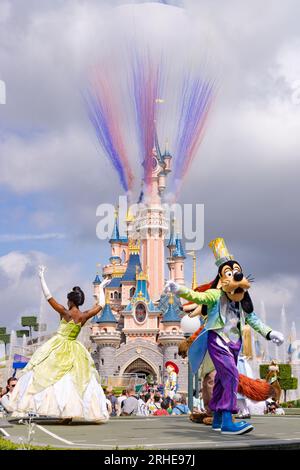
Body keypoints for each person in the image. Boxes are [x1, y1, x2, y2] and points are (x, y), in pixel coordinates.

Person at [165, 238, 284, 435]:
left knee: (221, 380)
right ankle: (228, 420)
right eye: (229, 272)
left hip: (234, 345)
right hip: (218, 342)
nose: (235, 275)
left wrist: (271, 333)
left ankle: (218, 418)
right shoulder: (215, 295)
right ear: (222, 279)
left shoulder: (241, 301)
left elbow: (253, 320)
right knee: (230, 377)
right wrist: (178, 289)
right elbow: (198, 297)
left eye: (236, 271)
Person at [7, 266, 110, 423]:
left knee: (44, 374)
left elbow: (49, 297)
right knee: (73, 380)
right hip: (75, 349)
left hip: (58, 345)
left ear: (70, 301)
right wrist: (102, 287)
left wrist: (41, 278)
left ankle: (56, 410)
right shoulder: (83, 316)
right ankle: (68, 413)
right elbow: (101, 305)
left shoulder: (65, 312)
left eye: (68, 300)